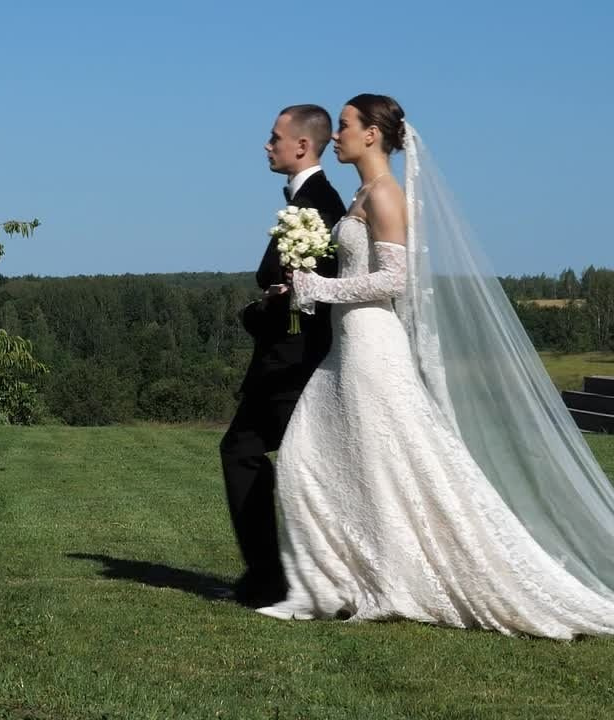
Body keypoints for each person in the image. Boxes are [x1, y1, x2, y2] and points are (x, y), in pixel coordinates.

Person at [261, 93, 614, 639]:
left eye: (347, 126)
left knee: (386, 468)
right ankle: (323, 586)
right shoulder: (362, 194)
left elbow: (392, 281)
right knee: (310, 460)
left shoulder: (384, 195)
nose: (338, 135)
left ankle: (371, 584)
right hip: (345, 348)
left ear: (372, 135)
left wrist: (320, 287)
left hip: (372, 349)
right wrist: (305, 286)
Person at [220, 105, 345, 608]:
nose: (267, 146)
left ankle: (276, 576)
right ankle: (280, 573)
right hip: (286, 358)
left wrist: (263, 311)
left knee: (246, 453)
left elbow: (317, 292)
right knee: (255, 454)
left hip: (297, 362)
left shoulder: (320, 206)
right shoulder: (306, 203)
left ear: (302, 146)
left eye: (274, 138)